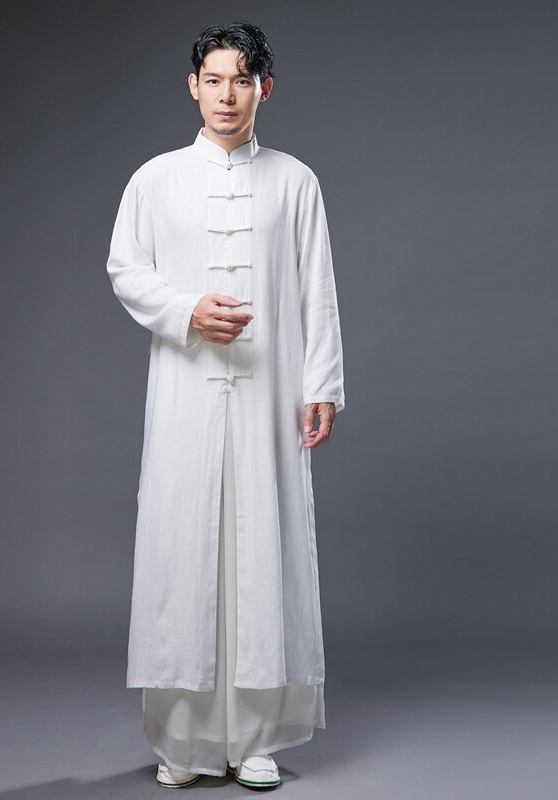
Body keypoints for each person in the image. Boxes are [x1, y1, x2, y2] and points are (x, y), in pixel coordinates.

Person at [105, 20, 345, 789]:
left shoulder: (295, 181)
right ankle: (185, 742)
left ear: (264, 89)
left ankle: (257, 739)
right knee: (182, 549)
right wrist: (185, 310)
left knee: (263, 549)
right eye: (214, 79)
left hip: (271, 394)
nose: (227, 95)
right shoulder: (155, 180)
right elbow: (126, 269)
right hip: (185, 392)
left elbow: (316, 289)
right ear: (193, 86)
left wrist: (322, 384)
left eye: (242, 80)